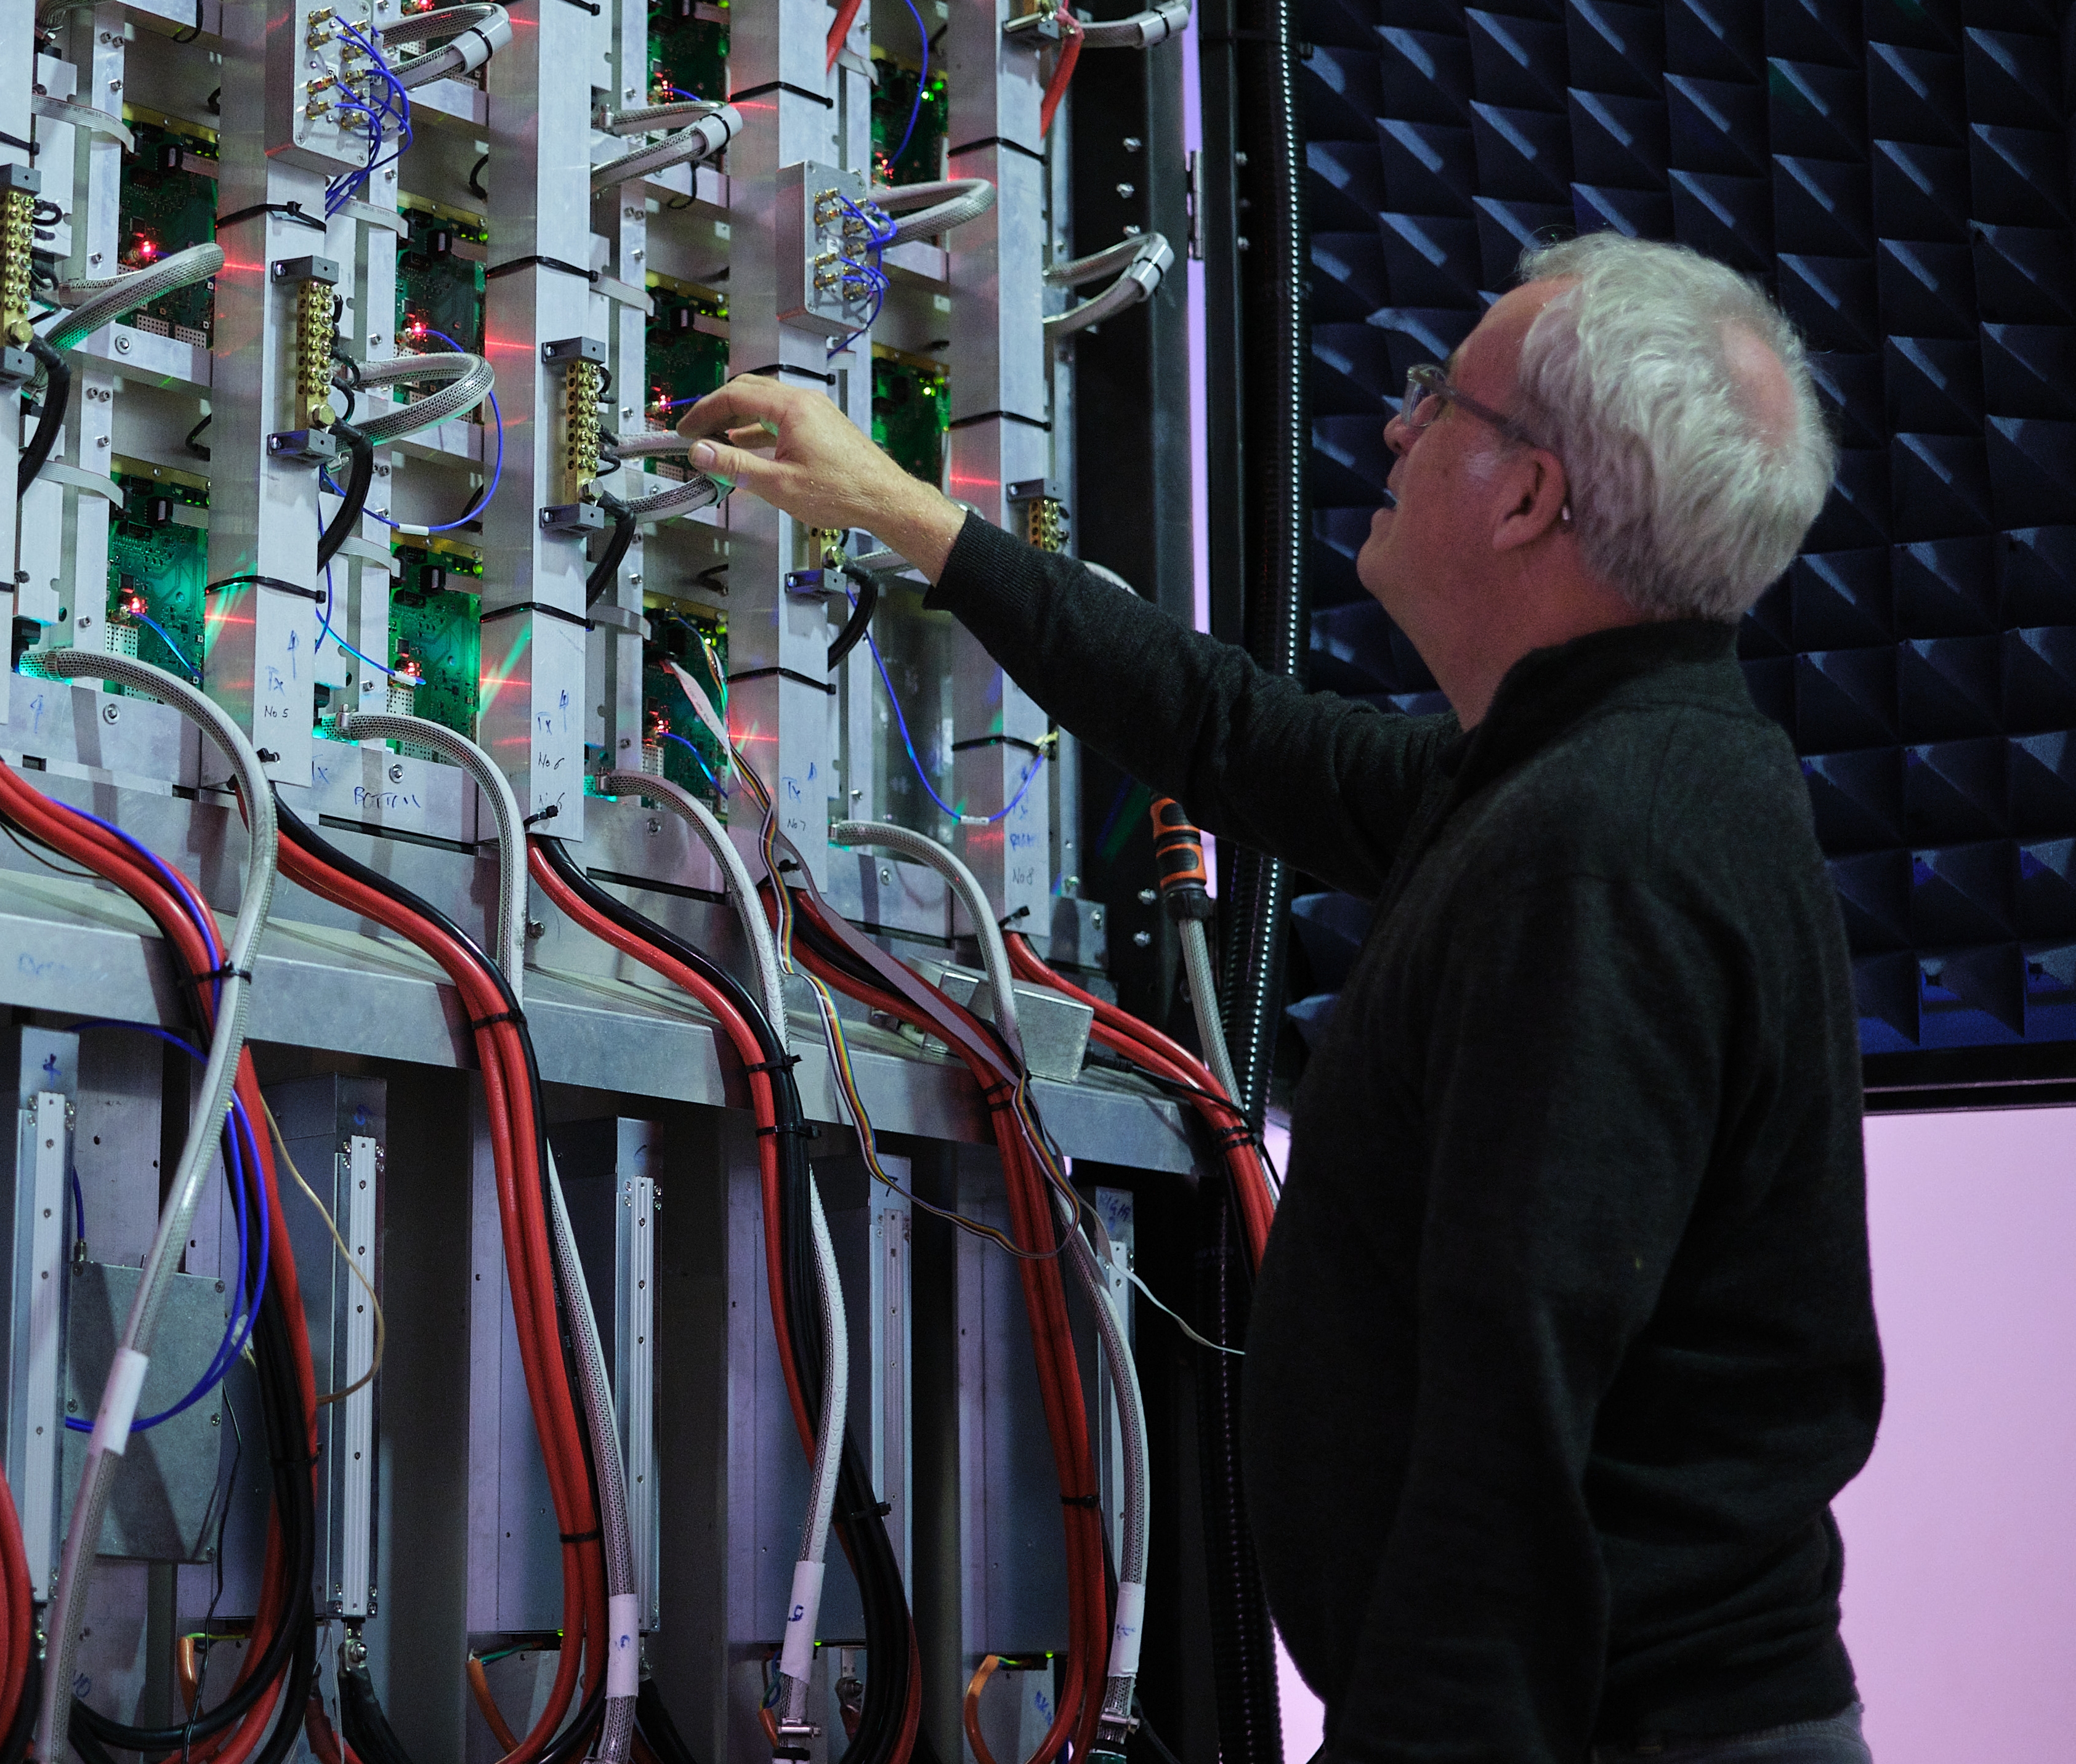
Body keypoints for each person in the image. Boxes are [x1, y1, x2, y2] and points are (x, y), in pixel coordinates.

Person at [677, 233, 1883, 1764]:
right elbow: (1241, 737)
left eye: (1439, 400)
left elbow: (1509, 1416)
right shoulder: (1603, 767)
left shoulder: (1599, 858)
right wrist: (911, 518)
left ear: (1527, 500)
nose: (1392, 424)